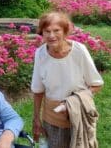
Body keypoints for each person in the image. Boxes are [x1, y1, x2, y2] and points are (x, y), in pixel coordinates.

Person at [31, 12, 103, 148]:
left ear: (65, 31)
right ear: (42, 33)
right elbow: (38, 90)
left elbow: (96, 84)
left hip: (79, 117)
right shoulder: (40, 54)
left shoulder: (79, 51)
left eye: (56, 30)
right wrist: (36, 119)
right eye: (47, 31)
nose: (51, 36)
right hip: (51, 118)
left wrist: (73, 102)